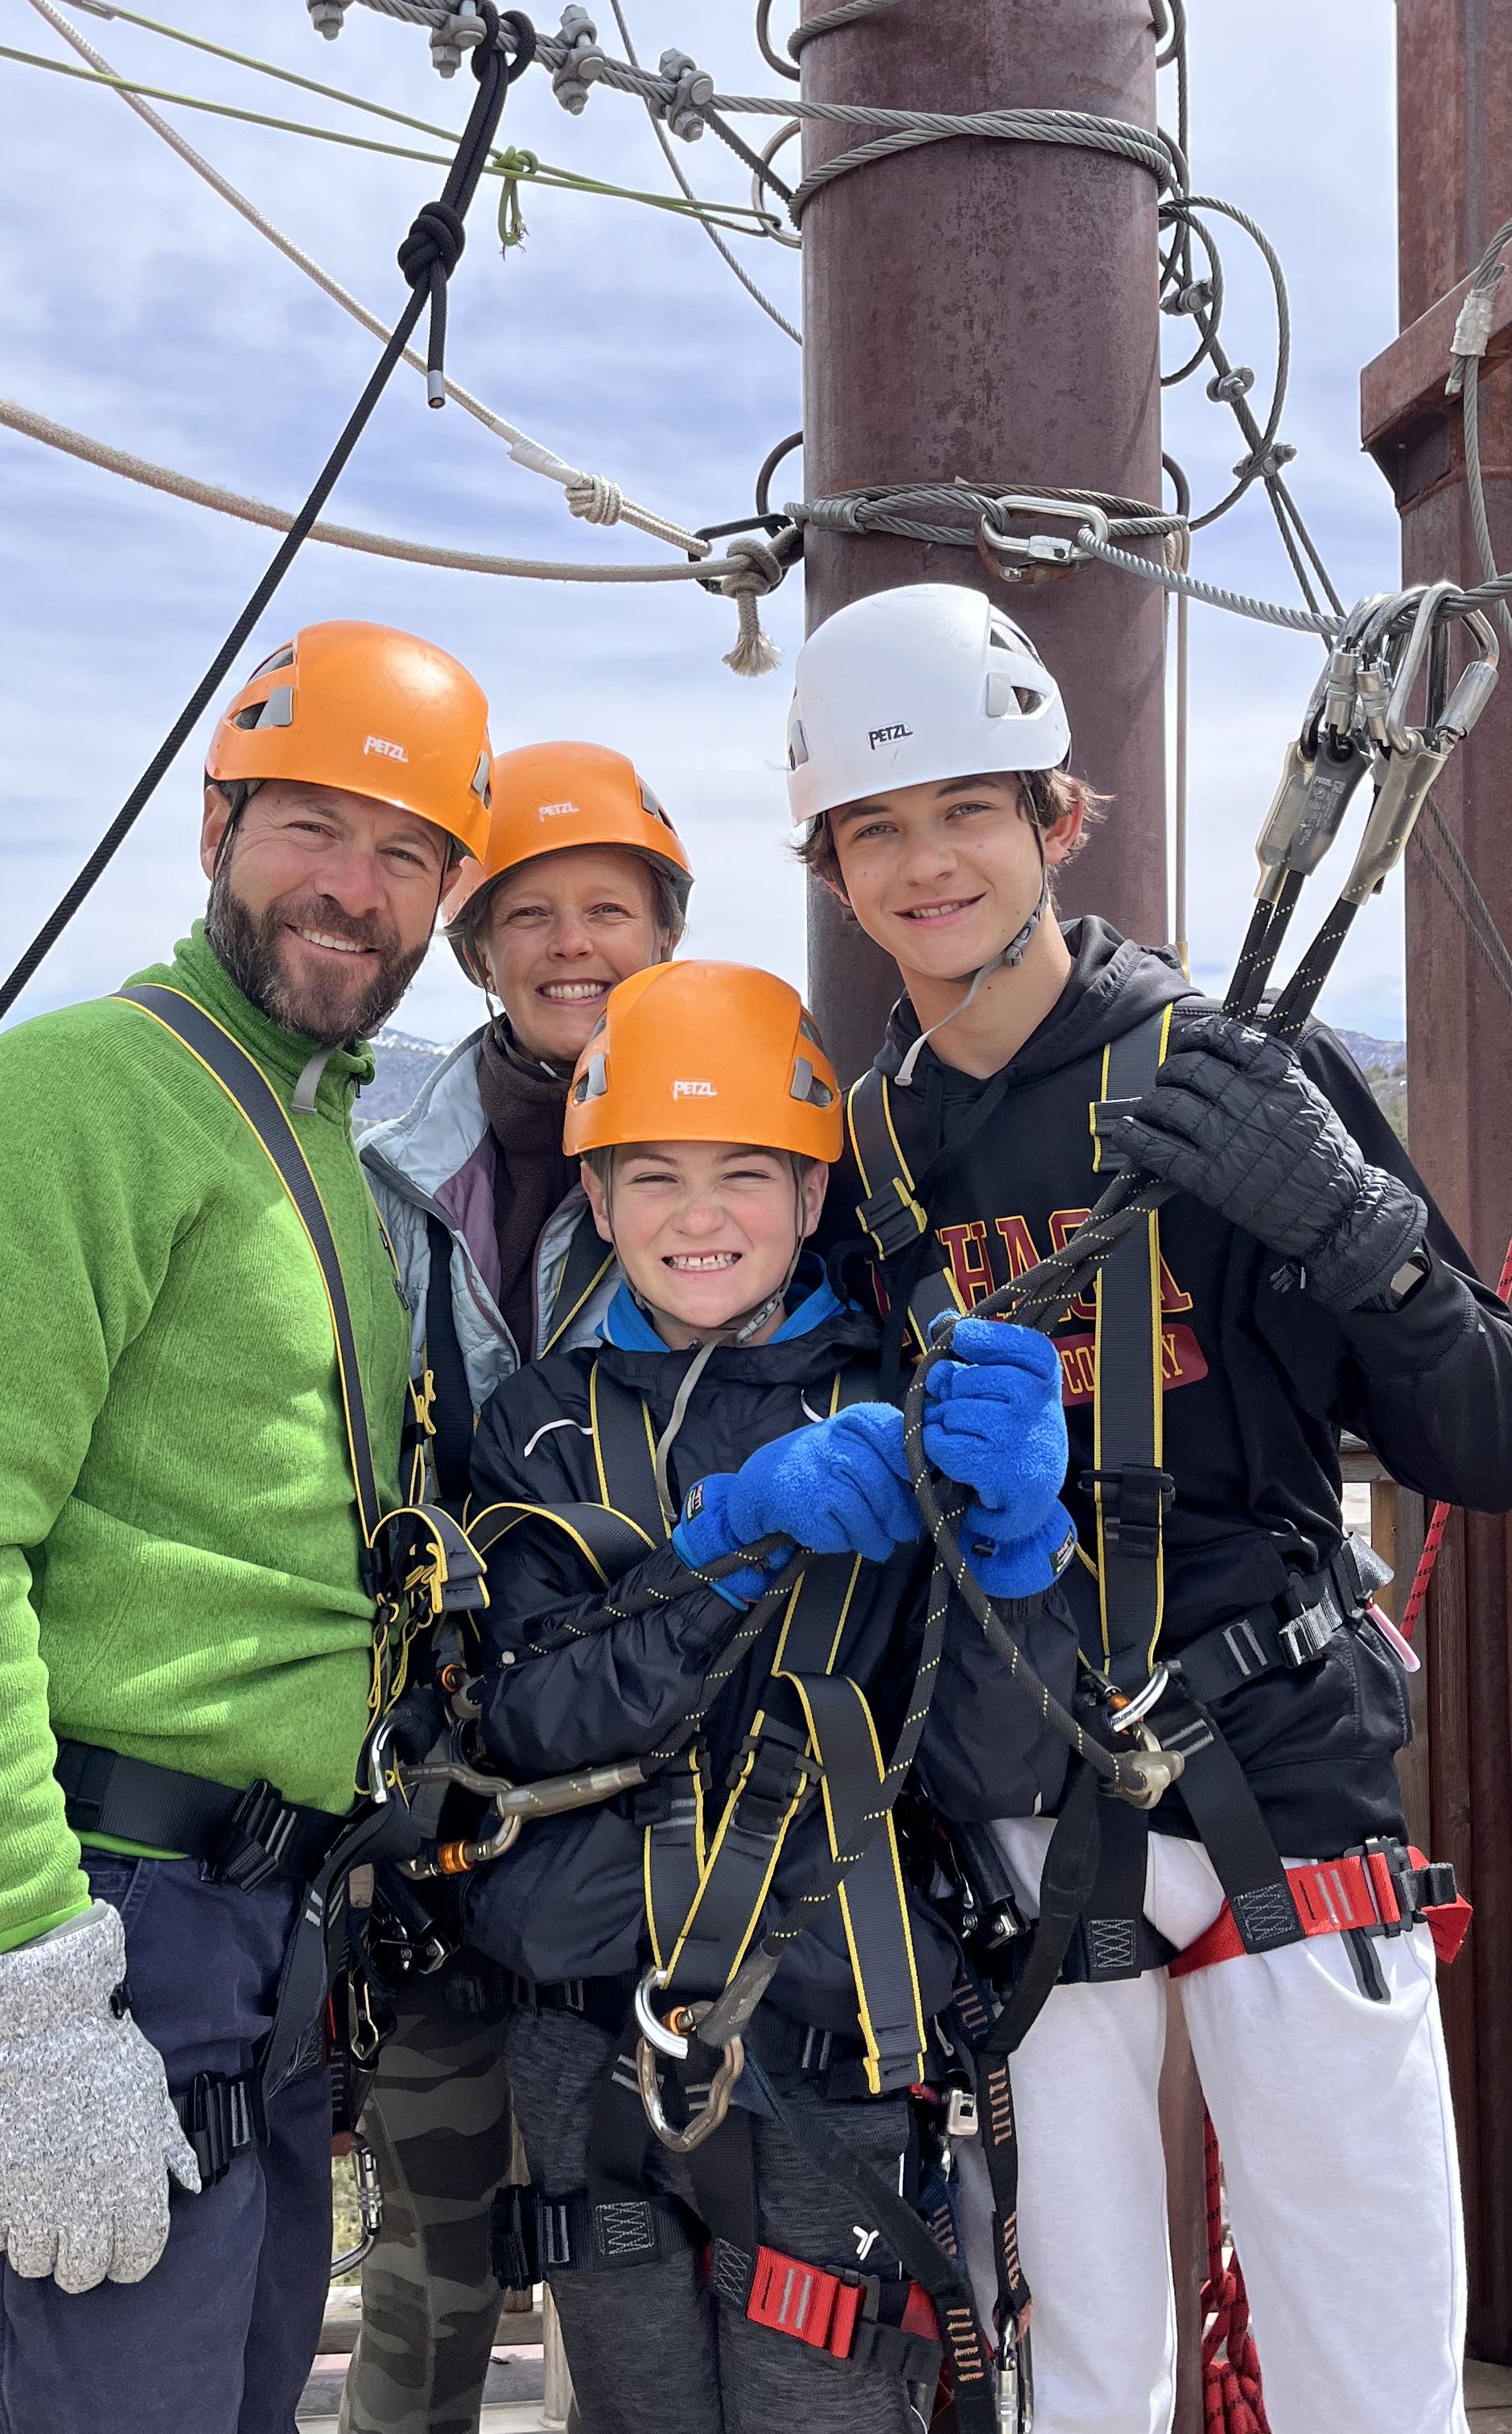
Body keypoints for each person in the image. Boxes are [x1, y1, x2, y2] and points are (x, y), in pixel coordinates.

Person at [786, 581, 1512, 2434]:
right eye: (876, 827)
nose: (927, 864)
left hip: (1280, 1774)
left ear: (1056, 818)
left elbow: (1497, 1438)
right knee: (1081, 2377)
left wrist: (1358, 1238)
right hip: (1028, 1798)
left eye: (969, 808)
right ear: (832, 862)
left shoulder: (1232, 1082)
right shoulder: (873, 1159)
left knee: (1367, 2364)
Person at [0, 619, 495, 2434]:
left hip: (258, 1928)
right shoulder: (74, 1104)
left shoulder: (315, 1147)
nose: (353, 891)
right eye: (311, 827)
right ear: (216, 825)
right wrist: (36, 1997)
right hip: (101, 1914)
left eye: (408, 852)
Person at [455, 959, 1091, 2434]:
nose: (699, 1217)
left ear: (815, 1201)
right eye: (654, 1177)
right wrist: (719, 1555)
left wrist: (1010, 1554)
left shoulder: (904, 1407)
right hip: (589, 2027)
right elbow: (525, 1719)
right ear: (596, 1203)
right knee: (639, 2403)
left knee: (827, 2401)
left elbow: (994, 1763)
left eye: (747, 1173)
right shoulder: (537, 1433)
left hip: (828, 2023)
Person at [344, 741, 690, 2434]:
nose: (571, 946)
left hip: (664, 1790)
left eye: (607, 910)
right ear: (476, 947)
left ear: (663, 931)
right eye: (529, 913)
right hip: (444, 1787)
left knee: (648, 2251)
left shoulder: (746, 1146)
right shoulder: (384, 1163)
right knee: (430, 2262)